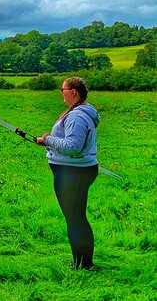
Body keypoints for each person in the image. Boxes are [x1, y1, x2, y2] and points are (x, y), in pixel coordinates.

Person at [36, 77, 99, 270]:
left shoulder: (76, 116)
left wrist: (49, 139)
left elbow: (73, 147)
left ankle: (83, 264)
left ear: (73, 92)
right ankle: (83, 261)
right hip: (75, 171)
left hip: (73, 173)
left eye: (62, 89)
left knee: (75, 219)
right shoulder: (79, 112)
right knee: (76, 217)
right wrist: (47, 141)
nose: (61, 92)